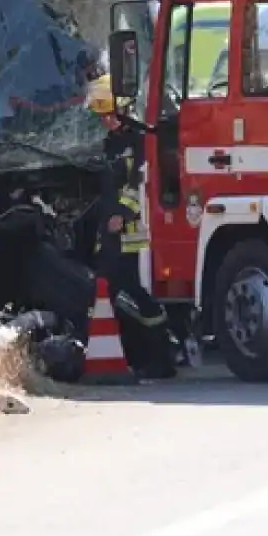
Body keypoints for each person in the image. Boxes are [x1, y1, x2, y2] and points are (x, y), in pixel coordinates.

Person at [86, 74, 178, 379]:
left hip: (134, 236)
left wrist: (123, 214)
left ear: (124, 110)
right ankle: (109, 356)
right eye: (102, 117)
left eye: (110, 115)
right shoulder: (109, 144)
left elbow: (142, 183)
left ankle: (162, 358)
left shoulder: (139, 142)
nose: (106, 122)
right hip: (111, 236)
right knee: (105, 292)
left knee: (138, 295)